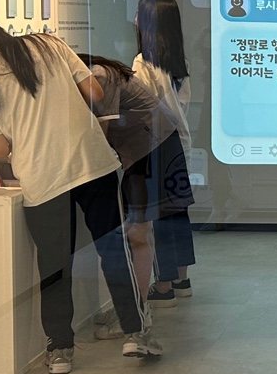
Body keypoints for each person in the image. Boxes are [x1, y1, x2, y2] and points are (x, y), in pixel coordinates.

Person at [0, 15, 161, 374]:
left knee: (54, 266)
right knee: (113, 250)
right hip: (91, 162)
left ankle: (60, 350)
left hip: (42, 176)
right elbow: (96, 93)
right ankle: (135, 333)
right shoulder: (48, 45)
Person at [77, 55, 194, 332]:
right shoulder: (101, 73)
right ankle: (134, 308)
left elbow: (101, 135)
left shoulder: (99, 78)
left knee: (138, 232)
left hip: (150, 151)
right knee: (141, 230)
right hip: (152, 149)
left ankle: (136, 312)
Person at [133, 0, 197, 306]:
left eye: (138, 14)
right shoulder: (179, 62)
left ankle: (164, 286)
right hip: (179, 143)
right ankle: (182, 280)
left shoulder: (143, 63)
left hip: (156, 145)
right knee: (178, 214)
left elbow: (141, 107)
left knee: (159, 217)